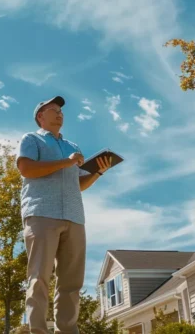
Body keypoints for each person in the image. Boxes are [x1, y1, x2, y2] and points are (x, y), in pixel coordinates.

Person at [17, 95, 112, 333]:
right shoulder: (31, 139)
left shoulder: (73, 148)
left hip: (74, 217)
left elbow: (79, 184)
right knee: (39, 277)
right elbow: (26, 168)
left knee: (71, 283)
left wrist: (98, 172)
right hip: (41, 213)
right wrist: (64, 163)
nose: (60, 113)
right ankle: (37, 330)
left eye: (61, 110)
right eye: (53, 110)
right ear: (40, 116)